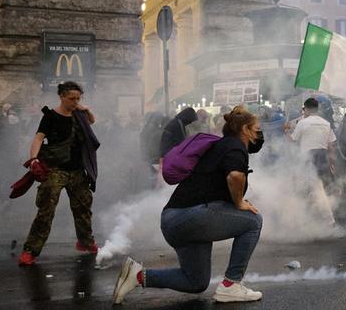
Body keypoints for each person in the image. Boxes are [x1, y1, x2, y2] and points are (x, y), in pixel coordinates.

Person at [113, 106, 265, 304]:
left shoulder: (221, 146)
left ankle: (138, 276)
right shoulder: (235, 146)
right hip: (190, 216)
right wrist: (239, 202)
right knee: (253, 221)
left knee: (196, 281)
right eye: (256, 129)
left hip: (175, 220)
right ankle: (231, 285)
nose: (259, 134)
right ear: (244, 129)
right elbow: (235, 175)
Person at [18, 81, 100, 266]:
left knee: (83, 208)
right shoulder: (50, 116)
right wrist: (33, 159)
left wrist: (85, 109)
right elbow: (38, 138)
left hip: (77, 170)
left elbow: (92, 121)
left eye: (78, 98)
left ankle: (86, 242)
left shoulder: (79, 114)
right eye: (72, 98)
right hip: (55, 169)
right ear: (62, 97)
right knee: (46, 211)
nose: (75, 102)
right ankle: (30, 251)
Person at [289, 98, 341, 218]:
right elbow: (331, 144)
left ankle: (311, 216)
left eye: (303, 109)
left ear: (306, 109)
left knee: (307, 188)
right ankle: (332, 217)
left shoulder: (303, 122)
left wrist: (286, 131)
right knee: (326, 186)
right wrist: (332, 163)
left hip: (308, 157)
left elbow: (292, 140)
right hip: (323, 156)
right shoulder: (326, 123)